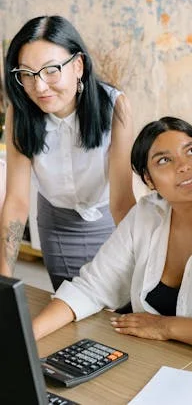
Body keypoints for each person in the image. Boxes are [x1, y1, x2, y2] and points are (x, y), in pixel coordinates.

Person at [32, 116, 192, 368]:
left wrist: (166, 327)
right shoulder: (146, 214)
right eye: (164, 160)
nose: (183, 165)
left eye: (191, 151)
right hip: (154, 362)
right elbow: (92, 287)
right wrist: (27, 337)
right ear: (148, 179)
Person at [1, 16, 136, 289]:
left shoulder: (114, 107)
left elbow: (121, 201)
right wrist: (3, 279)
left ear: (78, 65)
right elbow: (16, 200)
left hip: (108, 222)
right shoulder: (21, 112)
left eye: (51, 70)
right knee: (67, 308)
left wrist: (140, 262)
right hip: (56, 226)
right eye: (26, 74)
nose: (39, 86)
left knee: (116, 314)